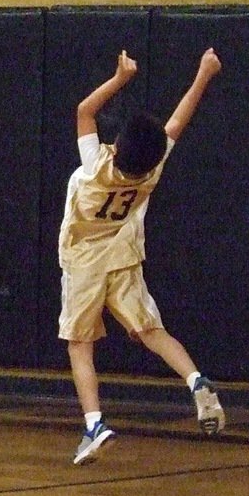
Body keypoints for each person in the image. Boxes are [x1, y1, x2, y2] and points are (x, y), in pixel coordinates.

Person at [60, 48, 227, 466]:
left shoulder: (97, 165)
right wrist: (203, 73)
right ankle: (195, 380)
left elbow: (84, 109)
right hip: (123, 255)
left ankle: (94, 424)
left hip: (83, 262)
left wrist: (119, 79)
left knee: (80, 344)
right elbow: (177, 123)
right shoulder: (152, 171)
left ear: (116, 147)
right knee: (151, 330)